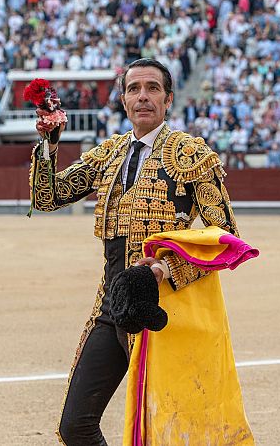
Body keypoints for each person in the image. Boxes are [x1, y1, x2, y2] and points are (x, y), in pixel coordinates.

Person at [29, 58, 239, 445]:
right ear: (124, 100)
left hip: (163, 311)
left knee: (164, 431)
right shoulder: (108, 154)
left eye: (152, 88)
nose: (143, 96)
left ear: (168, 99)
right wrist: (50, 144)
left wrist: (164, 269)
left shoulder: (191, 154)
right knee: (75, 426)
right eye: (134, 89)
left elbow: (225, 236)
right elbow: (47, 197)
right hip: (110, 307)